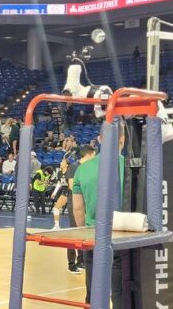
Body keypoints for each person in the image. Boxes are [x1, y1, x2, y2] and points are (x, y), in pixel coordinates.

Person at [72, 122, 126, 308]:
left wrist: (83, 232)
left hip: (92, 236)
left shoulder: (82, 169)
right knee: (120, 293)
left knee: (93, 292)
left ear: (100, 140)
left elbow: (78, 208)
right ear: (122, 140)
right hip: (122, 236)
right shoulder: (131, 167)